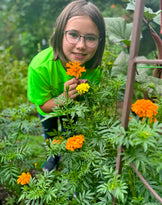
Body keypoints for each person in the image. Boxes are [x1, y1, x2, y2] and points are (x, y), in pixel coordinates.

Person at [27, 0, 106, 171]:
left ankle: (72, 164)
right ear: (59, 34)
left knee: (71, 133)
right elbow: (44, 106)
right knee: (51, 132)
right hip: (49, 109)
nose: (81, 46)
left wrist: (86, 93)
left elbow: (91, 104)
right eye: (73, 35)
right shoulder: (39, 67)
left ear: (100, 41)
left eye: (90, 38)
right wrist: (64, 98)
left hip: (74, 109)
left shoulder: (94, 69)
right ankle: (53, 156)